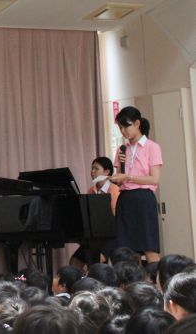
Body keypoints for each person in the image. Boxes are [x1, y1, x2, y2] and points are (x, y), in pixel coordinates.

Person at [108, 106, 163, 263]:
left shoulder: (152, 147)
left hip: (144, 199)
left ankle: (156, 278)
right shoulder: (122, 149)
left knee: (150, 248)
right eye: (120, 128)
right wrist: (116, 179)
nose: (123, 131)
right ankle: (133, 279)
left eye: (126, 126)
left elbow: (154, 179)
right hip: (125, 199)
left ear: (137, 123)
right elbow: (120, 179)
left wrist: (129, 177)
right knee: (127, 252)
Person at [70, 157, 120, 268]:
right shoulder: (91, 191)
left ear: (106, 172)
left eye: (96, 169)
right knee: (74, 262)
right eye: (92, 168)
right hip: (95, 236)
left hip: (111, 236)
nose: (92, 172)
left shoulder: (115, 190)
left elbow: (114, 218)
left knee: (96, 259)